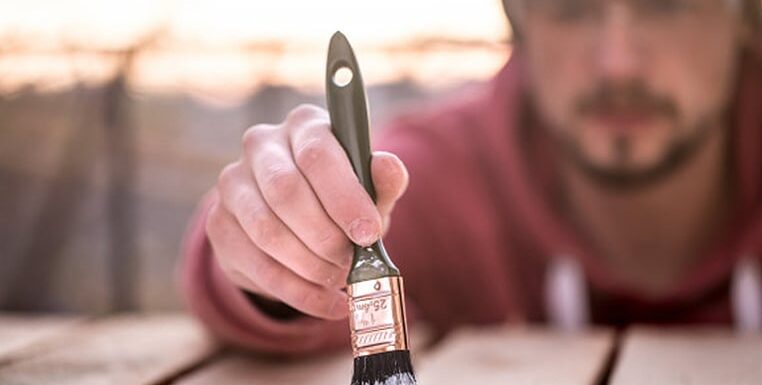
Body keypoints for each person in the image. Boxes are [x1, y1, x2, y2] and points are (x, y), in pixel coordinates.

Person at [180, 0, 762, 354]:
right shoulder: (444, 177)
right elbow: (247, 280)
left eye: (668, 5)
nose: (618, 62)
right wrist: (274, 254)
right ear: (522, 28)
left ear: (746, 21)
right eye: (570, 8)